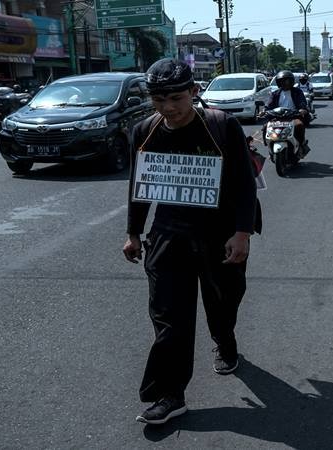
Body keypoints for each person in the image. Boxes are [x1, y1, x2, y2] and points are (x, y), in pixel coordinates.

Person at [123, 58, 258, 426]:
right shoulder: (144, 131)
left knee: (224, 301)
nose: (168, 108)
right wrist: (133, 233)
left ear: (194, 93)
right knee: (168, 319)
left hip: (221, 234)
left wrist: (242, 232)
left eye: (177, 98)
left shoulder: (221, 126)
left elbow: (245, 183)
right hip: (168, 236)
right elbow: (139, 187)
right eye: (159, 99)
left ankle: (224, 341)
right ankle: (169, 394)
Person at [266, 70, 309, 147]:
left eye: (287, 81)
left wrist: (302, 109)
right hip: (277, 117)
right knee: (265, 127)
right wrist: (264, 111)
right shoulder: (275, 93)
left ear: (291, 81)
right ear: (279, 82)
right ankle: (269, 145)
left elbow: (302, 102)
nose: (285, 83)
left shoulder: (297, 92)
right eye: (282, 81)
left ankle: (302, 145)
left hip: (293, 117)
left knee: (299, 125)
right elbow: (269, 104)